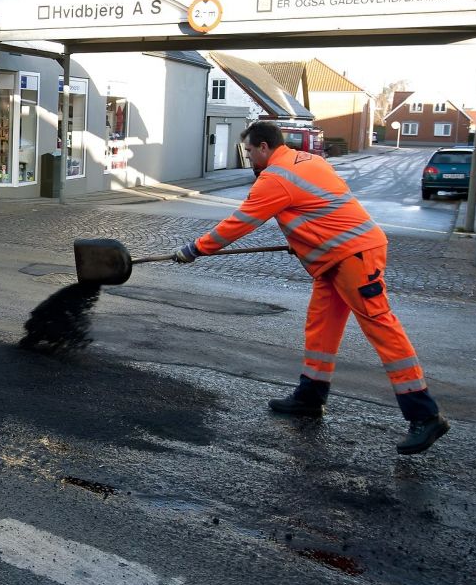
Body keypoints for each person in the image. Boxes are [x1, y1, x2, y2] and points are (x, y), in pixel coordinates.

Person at [172, 121, 449, 455]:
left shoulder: (275, 178)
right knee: (321, 328)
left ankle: (425, 414)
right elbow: (321, 208)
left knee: (381, 326)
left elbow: (240, 223)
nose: (248, 158)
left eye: (248, 151)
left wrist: (195, 249)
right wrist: (305, 239)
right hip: (337, 259)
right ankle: (310, 396)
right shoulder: (308, 160)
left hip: (354, 257)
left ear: (263, 147)